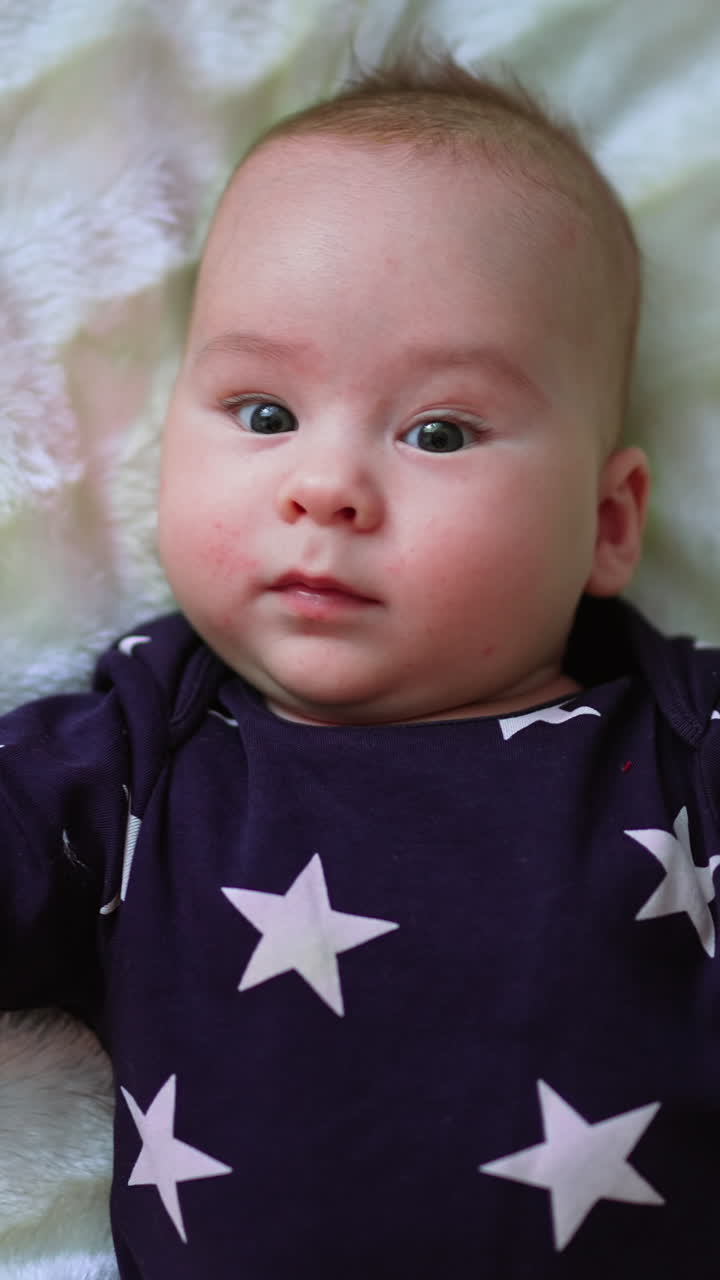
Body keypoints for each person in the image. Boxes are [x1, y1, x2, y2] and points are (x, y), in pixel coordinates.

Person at [2, 51, 719, 1280]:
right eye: (266, 413)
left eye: (438, 430)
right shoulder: (140, 753)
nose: (324, 484)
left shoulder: (682, 739)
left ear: (609, 524)